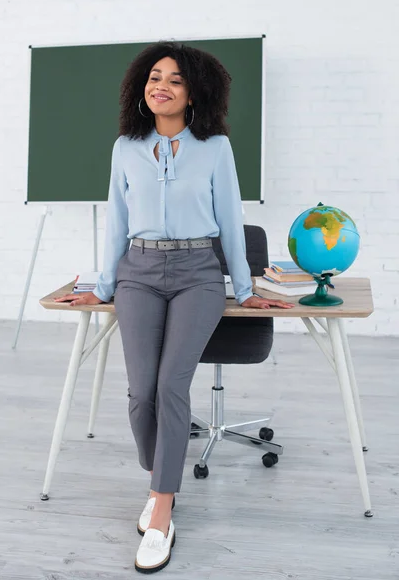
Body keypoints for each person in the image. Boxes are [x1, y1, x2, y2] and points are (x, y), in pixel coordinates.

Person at [55, 41, 294, 574]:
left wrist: (242, 285)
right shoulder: (125, 147)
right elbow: (115, 221)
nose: (160, 85)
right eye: (153, 76)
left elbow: (231, 221)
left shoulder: (215, 149)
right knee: (142, 392)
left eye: (175, 80)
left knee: (170, 385)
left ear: (194, 94)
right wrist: (104, 284)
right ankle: (161, 475)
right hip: (138, 273)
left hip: (197, 275)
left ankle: (162, 507)